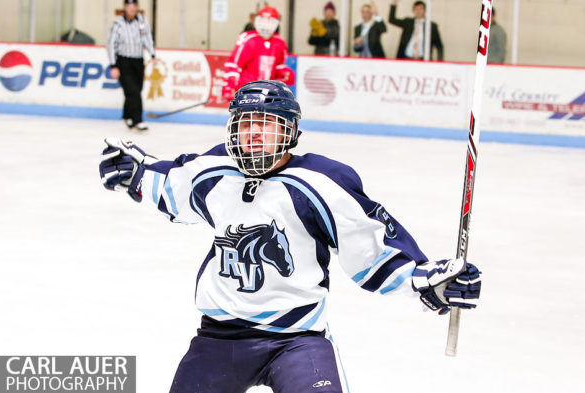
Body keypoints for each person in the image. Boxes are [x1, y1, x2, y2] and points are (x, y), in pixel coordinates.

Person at [98, 80, 482, 393]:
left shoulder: (321, 182)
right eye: (245, 123)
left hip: (298, 340)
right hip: (219, 338)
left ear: (290, 132)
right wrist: (133, 173)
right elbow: (172, 186)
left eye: (265, 123)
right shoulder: (215, 170)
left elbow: (371, 249)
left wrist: (426, 281)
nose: (252, 133)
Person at [222, 6, 294, 101]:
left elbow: (278, 66)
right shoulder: (248, 39)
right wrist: (229, 85)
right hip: (247, 91)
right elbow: (234, 64)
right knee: (247, 116)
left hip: (268, 93)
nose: (265, 25)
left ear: (275, 24)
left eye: (269, 22)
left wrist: (285, 73)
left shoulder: (279, 42)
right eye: (262, 21)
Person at [107, 0, 155, 131]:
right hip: (123, 61)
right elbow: (111, 44)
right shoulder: (118, 23)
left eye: (134, 6)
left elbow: (147, 38)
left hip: (138, 61)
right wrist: (113, 65)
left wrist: (152, 55)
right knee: (132, 91)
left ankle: (127, 116)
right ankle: (137, 120)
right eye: (129, 6)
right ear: (125, 7)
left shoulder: (142, 21)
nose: (132, 8)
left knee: (136, 90)